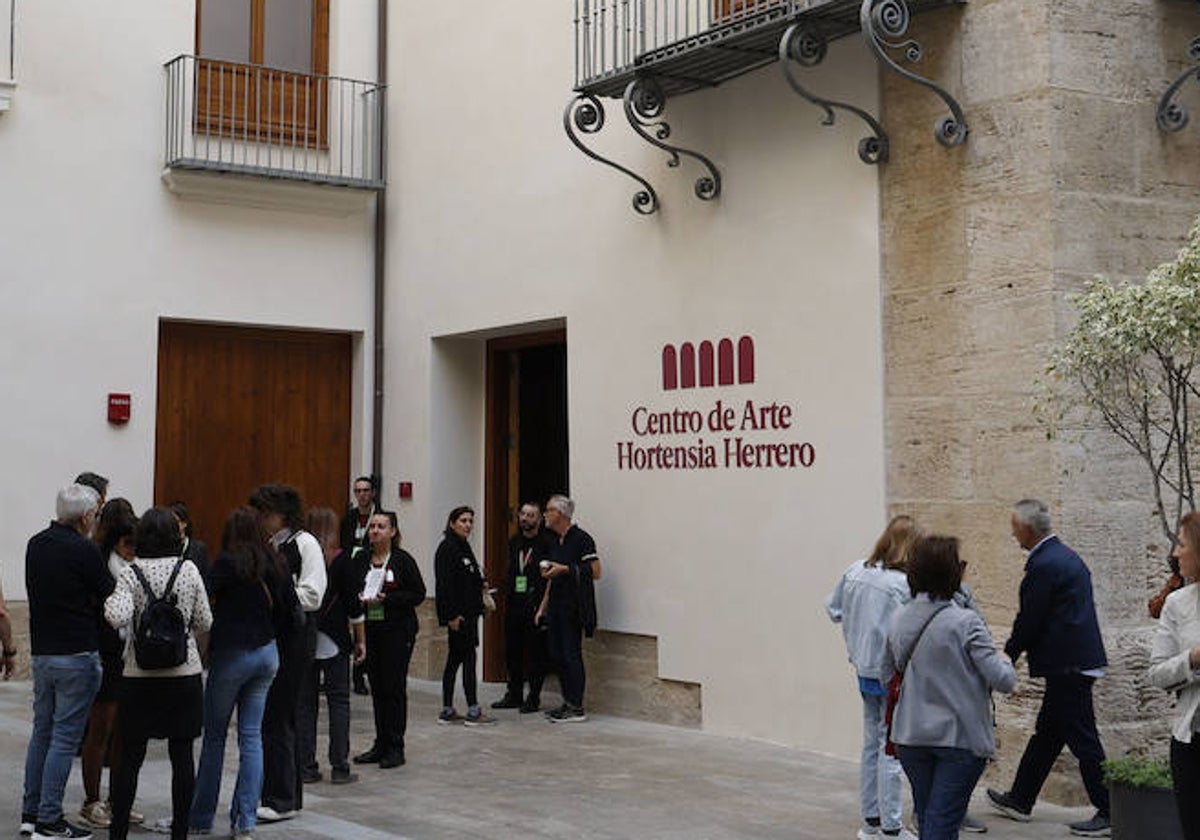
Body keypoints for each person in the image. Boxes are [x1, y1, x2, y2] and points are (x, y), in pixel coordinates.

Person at [986, 499, 1111, 838]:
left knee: (1083, 739)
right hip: (1075, 660)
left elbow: (1031, 618)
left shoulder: (1043, 564)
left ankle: (1110, 809)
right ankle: (1020, 799)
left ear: (1027, 529)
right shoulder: (1064, 556)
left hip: (1068, 664)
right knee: (1048, 735)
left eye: (1014, 528)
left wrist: (1009, 653)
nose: (1013, 535)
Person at [886, 536, 1016, 840]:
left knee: (931, 819)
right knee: (942, 823)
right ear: (951, 573)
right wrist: (1005, 658)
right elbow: (1003, 680)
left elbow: (885, 675)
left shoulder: (897, 618)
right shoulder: (967, 622)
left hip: (911, 735)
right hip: (958, 738)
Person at [104, 507, 212, 840]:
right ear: (175, 537)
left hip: (139, 678)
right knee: (182, 758)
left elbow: (115, 617)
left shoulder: (130, 572)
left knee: (130, 757)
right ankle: (179, 833)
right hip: (184, 676)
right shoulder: (189, 569)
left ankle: (118, 831)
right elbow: (205, 621)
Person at [188, 508, 294, 839]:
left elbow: (202, 600)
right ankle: (245, 821)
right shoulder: (276, 562)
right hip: (267, 654)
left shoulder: (226, 562)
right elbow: (290, 608)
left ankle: (202, 817)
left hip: (232, 654)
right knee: (251, 737)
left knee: (215, 737)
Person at [21, 483, 110, 840]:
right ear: (86, 516)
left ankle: (31, 812)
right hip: (76, 652)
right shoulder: (84, 550)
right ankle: (50, 819)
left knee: (42, 733)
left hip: (44, 652)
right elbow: (107, 591)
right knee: (64, 737)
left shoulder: (36, 544)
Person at [825, 516, 918, 840]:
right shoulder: (901, 586)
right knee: (890, 748)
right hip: (889, 673)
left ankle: (871, 820)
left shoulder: (855, 571)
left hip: (862, 667)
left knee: (871, 745)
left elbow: (833, 609)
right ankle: (891, 826)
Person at [248, 484, 327, 824]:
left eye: (266, 513)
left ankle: (281, 799)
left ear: (283, 515)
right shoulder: (269, 546)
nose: (262, 520)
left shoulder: (305, 544)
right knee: (275, 716)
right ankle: (280, 793)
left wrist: (277, 594)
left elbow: (314, 593)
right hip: (275, 634)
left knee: (280, 714)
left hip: (296, 634)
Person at [78, 503, 142, 831]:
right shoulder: (104, 568)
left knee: (124, 734)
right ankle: (92, 800)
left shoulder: (129, 566)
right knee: (100, 731)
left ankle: (119, 800)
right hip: (107, 656)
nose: (134, 551)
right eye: (129, 544)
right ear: (116, 541)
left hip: (128, 658)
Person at [352, 511, 426, 766]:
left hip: (398, 631)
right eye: (372, 526)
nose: (375, 531)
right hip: (370, 631)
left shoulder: (403, 560)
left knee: (394, 688)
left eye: (381, 526)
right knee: (377, 687)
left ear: (392, 531)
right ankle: (380, 742)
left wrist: (389, 599)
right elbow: (351, 588)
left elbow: (418, 593)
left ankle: (396, 746)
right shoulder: (361, 559)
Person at [298, 507, 365, 784]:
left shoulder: (301, 557)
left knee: (305, 703)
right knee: (339, 702)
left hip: (305, 636)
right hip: (336, 637)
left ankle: (305, 765)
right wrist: (361, 638)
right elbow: (353, 605)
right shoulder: (342, 560)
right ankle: (340, 765)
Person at [1148, 511, 1200, 840]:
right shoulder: (1177, 604)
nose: (1175, 553)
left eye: (1182, 544)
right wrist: (1192, 659)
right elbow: (1157, 672)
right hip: (1191, 741)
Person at [537, 494, 602, 723]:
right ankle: (566, 701)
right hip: (555, 605)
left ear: (561, 514)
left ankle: (576, 706)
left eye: (548, 510)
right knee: (556, 654)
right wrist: (542, 608)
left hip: (574, 606)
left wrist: (565, 569)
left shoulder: (582, 539)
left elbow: (595, 571)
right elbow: (552, 579)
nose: (545, 514)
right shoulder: (555, 540)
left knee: (571, 653)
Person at [434, 505, 495, 726]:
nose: (468, 525)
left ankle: (449, 710)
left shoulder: (463, 546)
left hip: (470, 613)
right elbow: (445, 586)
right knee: (466, 659)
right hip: (459, 616)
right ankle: (472, 710)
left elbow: (469, 576)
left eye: (470, 521)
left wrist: (482, 585)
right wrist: (450, 615)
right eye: (463, 521)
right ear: (452, 523)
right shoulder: (447, 548)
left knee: (457, 659)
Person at [492, 502, 555, 713]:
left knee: (536, 652)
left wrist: (544, 607)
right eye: (523, 514)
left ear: (539, 519)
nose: (525, 518)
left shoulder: (547, 542)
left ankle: (534, 697)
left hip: (535, 603)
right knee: (513, 651)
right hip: (515, 603)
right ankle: (514, 693)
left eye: (531, 515)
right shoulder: (515, 542)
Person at [340, 477, 376, 696]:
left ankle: (364, 673)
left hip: (371, 574)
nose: (362, 494)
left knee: (369, 626)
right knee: (353, 624)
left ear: (372, 493)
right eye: (358, 491)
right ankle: (354, 675)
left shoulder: (381, 515)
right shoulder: (349, 518)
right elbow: (344, 546)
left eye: (366, 490)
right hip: (352, 575)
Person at [169, 502, 210, 584]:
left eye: (176, 521)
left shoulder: (199, 549)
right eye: (170, 522)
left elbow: (205, 579)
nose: (172, 525)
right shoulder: (165, 548)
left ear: (184, 523)